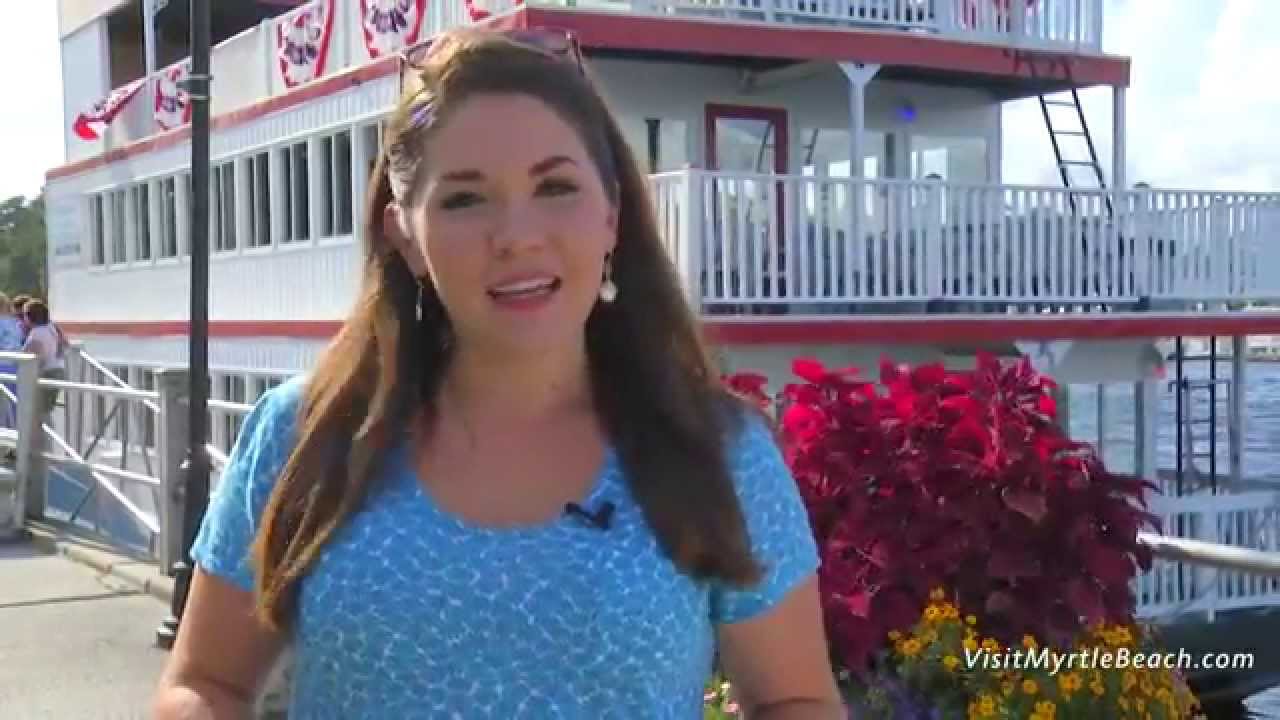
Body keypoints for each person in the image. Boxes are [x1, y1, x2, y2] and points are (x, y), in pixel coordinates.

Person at [151, 27, 841, 719]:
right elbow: (204, 682)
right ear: (405, 237)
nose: (517, 235)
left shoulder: (718, 451)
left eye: (556, 186)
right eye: (463, 199)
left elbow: (795, 699)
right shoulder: (306, 434)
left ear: (612, 216)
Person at [20, 300, 67, 419]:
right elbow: (65, 344)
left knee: (40, 411)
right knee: (47, 410)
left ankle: (43, 436)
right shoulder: (51, 328)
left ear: (30, 316)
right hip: (58, 369)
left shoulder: (36, 333)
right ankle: (47, 435)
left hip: (46, 373)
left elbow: (34, 355)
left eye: (24, 315)